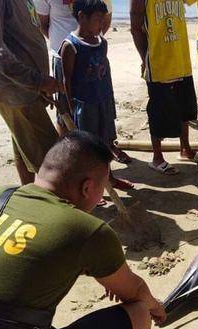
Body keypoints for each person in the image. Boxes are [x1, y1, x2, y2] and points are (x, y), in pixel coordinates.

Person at [0, 130, 166, 329]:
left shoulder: (0, 196)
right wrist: (156, 307)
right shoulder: (87, 230)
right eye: (102, 186)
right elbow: (135, 291)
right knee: (139, 317)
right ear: (87, 188)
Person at [0, 0, 61, 185]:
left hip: (27, 90)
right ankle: (61, 207)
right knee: (54, 160)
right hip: (16, 92)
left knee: (25, 149)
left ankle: (29, 200)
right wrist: (36, 80)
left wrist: (39, 83)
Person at [130, 0, 198, 175]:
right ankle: (157, 157)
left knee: (185, 108)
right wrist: (145, 57)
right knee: (158, 111)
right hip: (158, 63)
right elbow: (135, 27)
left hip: (181, 59)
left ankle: (185, 149)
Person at [61, 0, 134, 192]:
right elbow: (66, 81)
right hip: (85, 107)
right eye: (98, 19)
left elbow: (106, 73)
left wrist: (110, 101)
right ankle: (88, 187)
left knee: (106, 144)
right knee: (87, 149)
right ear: (81, 17)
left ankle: (109, 177)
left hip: (103, 102)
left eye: (104, 19)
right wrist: (68, 110)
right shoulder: (71, 46)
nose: (102, 24)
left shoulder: (102, 43)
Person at [34, 0, 117, 137]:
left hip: (94, 54)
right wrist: (69, 45)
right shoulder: (68, 46)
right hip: (63, 56)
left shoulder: (102, 41)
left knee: (101, 111)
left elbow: (106, 17)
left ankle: (106, 147)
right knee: (66, 114)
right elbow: (43, 24)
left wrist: (90, 41)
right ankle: (69, 149)